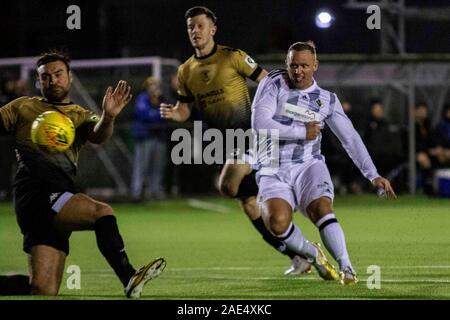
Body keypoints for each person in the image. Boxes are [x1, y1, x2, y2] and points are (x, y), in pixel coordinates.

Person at [0, 51, 166, 297]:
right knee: (101, 212)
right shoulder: (23, 106)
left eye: (58, 74)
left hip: (61, 190)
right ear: (39, 82)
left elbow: (99, 135)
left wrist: (109, 116)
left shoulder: (79, 114)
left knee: (43, 289)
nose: (53, 80)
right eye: (45, 77)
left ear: (70, 77)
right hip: (35, 190)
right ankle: (129, 277)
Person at [160, 6, 310, 276]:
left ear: (213, 29)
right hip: (222, 142)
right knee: (248, 203)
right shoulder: (186, 71)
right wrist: (175, 113)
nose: (195, 31)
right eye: (191, 27)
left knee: (237, 187)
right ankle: (296, 254)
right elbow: (185, 109)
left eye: (200, 26)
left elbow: (269, 82)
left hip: (250, 134)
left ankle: (293, 208)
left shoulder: (233, 57)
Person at [251, 41, 397, 284]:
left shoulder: (327, 100)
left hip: (308, 165)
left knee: (322, 209)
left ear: (315, 66)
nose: (298, 71)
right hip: (272, 166)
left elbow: (349, 138)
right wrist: (301, 131)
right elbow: (259, 125)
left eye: (304, 66)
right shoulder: (273, 83)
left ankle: (347, 267)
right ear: (286, 65)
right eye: (293, 65)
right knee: (276, 223)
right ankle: (313, 254)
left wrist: (373, 175)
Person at [131, 76, 167, 200]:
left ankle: (154, 192)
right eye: (152, 85)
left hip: (159, 138)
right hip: (145, 137)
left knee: (157, 167)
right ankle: (136, 193)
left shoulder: (161, 99)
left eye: (157, 85)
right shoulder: (142, 98)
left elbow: (166, 115)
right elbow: (145, 116)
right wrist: (157, 114)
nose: (155, 88)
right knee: (141, 166)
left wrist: (156, 114)